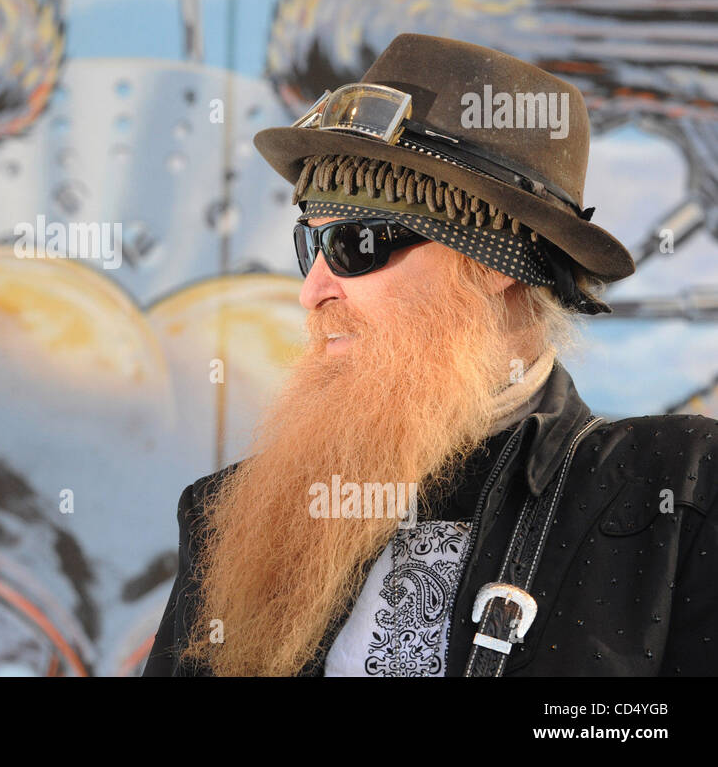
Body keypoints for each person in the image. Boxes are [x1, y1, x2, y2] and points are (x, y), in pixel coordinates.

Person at [142, 33, 718, 677]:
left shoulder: (678, 488)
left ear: (494, 257)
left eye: (354, 245)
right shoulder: (237, 512)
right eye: (310, 248)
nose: (311, 292)